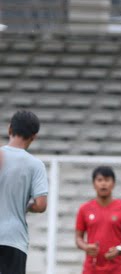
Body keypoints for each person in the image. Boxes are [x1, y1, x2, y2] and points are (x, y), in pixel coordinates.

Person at [0, 110, 47, 274]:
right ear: (34, 136)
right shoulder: (35, 165)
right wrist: (26, 206)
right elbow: (41, 205)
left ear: (9, 129)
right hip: (14, 239)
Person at [76, 166, 121, 274]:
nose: (103, 184)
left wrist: (119, 249)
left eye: (107, 180)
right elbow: (78, 238)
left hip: (117, 268)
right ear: (94, 184)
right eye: (99, 180)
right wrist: (86, 247)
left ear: (113, 184)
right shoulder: (84, 209)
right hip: (91, 268)